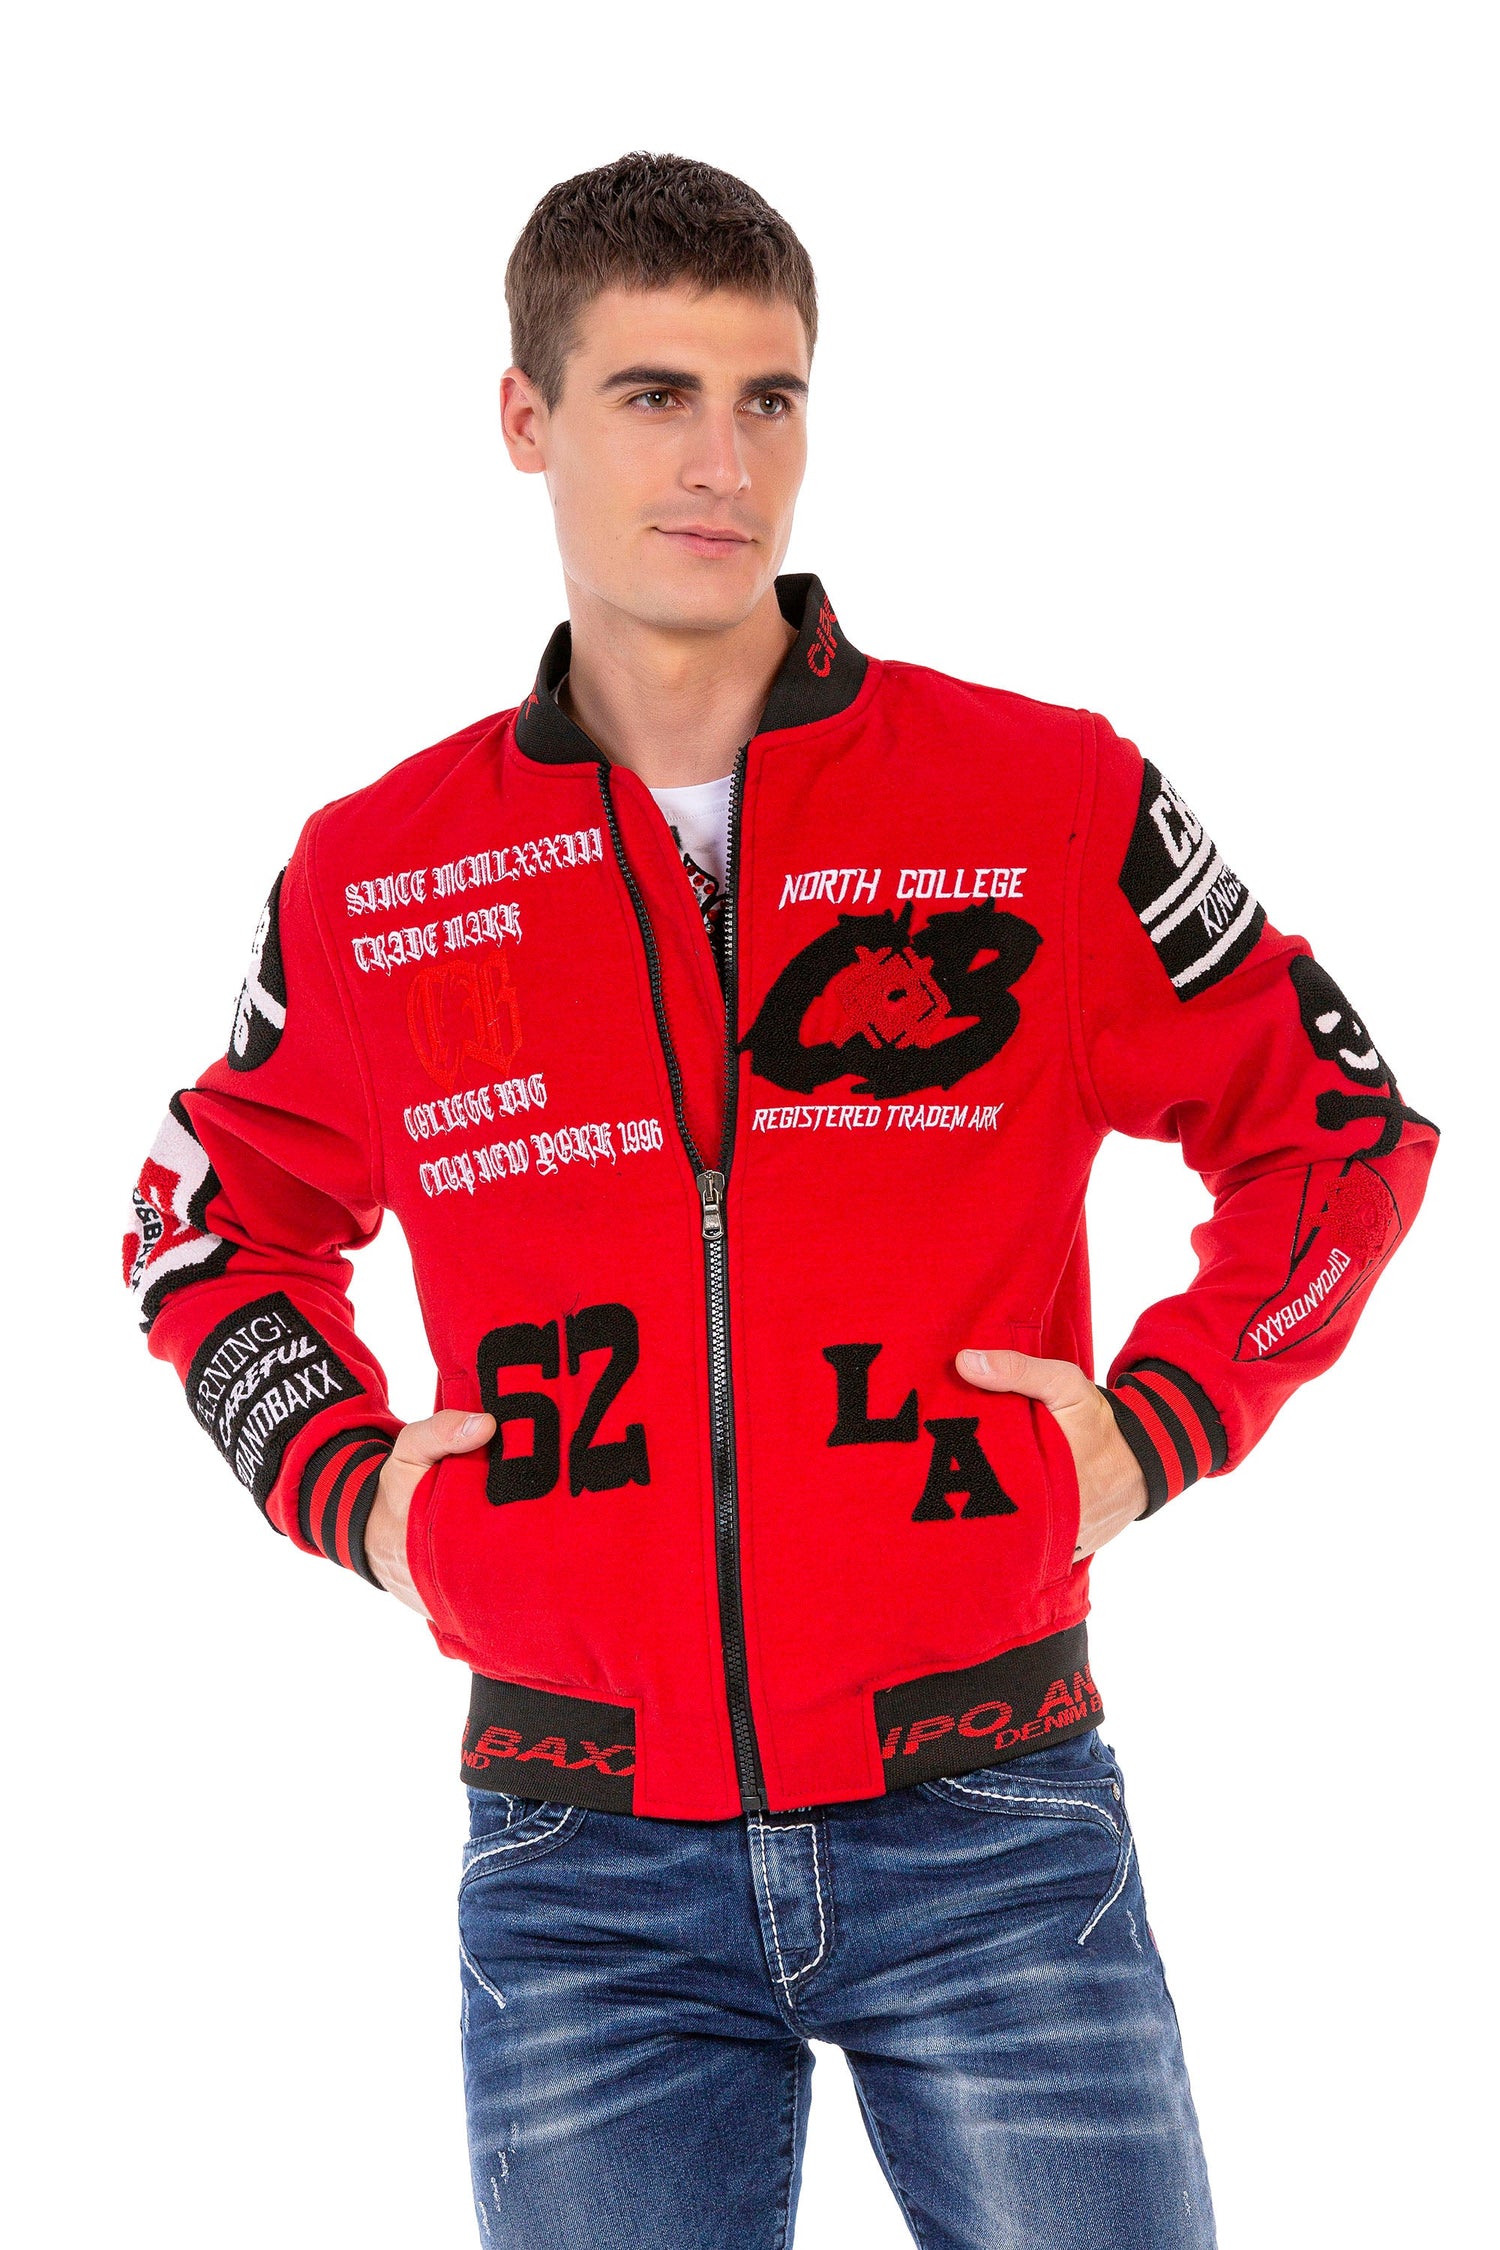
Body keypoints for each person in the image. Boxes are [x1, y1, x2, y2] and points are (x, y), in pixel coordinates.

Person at [123, 152, 1438, 2250]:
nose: (721, 463)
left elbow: (1340, 1130)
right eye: (654, 395)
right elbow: (204, 1232)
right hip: (579, 1856)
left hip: (988, 1810)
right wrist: (356, 1490)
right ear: (527, 419)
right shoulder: (379, 871)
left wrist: (1169, 1418)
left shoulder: (1042, 797)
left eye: (770, 398)